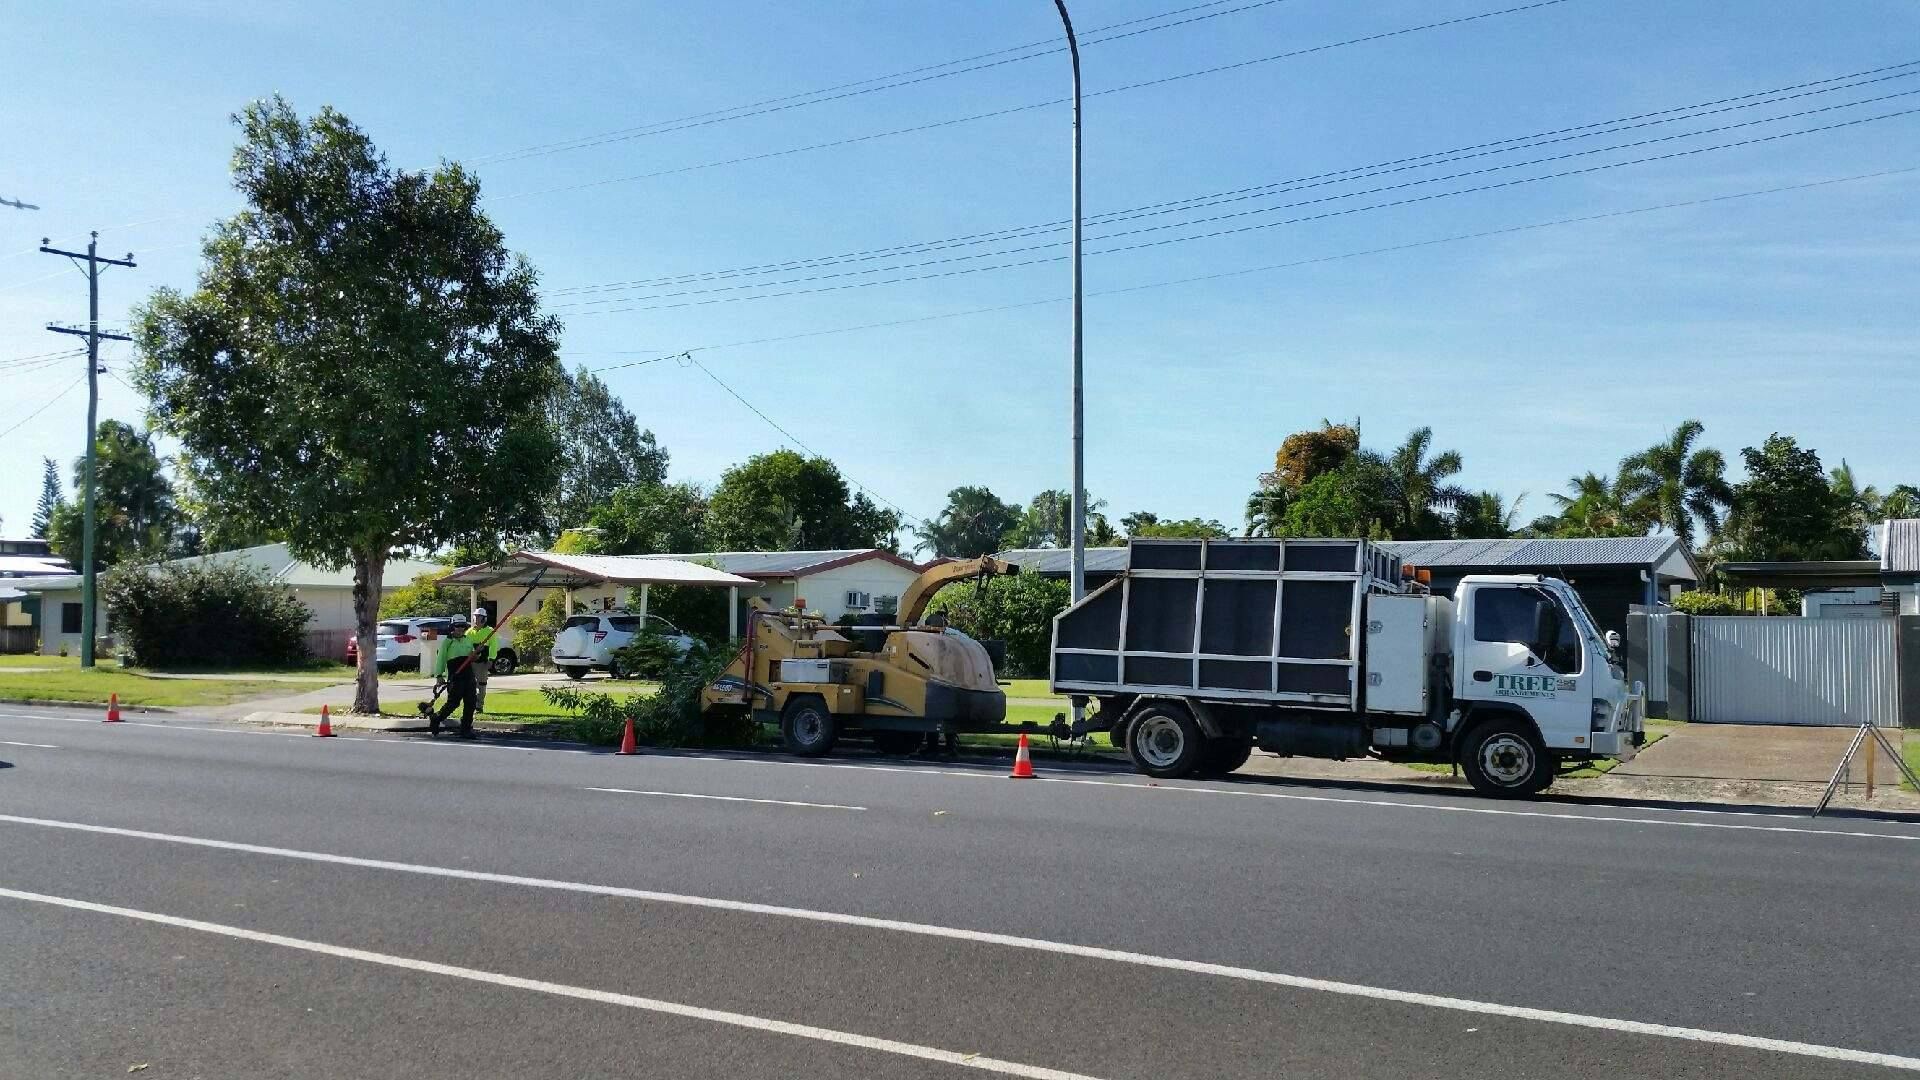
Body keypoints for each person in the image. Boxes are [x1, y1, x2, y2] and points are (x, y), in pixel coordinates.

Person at [430, 615, 479, 739]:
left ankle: (466, 729)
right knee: (453, 703)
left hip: (468, 674)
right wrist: (439, 675)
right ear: (452, 627)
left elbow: (472, 657)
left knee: (471, 703)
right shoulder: (447, 642)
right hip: (455, 675)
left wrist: (475, 656)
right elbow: (440, 659)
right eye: (457, 626)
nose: (460, 629)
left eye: (463, 626)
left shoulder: (468, 640)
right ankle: (436, 719)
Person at [467, 607, 499, 713]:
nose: (477, 619)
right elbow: (466, 646)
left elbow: (494, 646)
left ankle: (479, 706)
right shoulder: (469, 632)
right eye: (475, 617)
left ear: (484, 618)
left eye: (479, 617)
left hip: (483, 662)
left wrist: (491, 659)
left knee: (481, 685)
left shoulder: (490, 632)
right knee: (470, 685)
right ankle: (471, 704)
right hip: (471, 662)